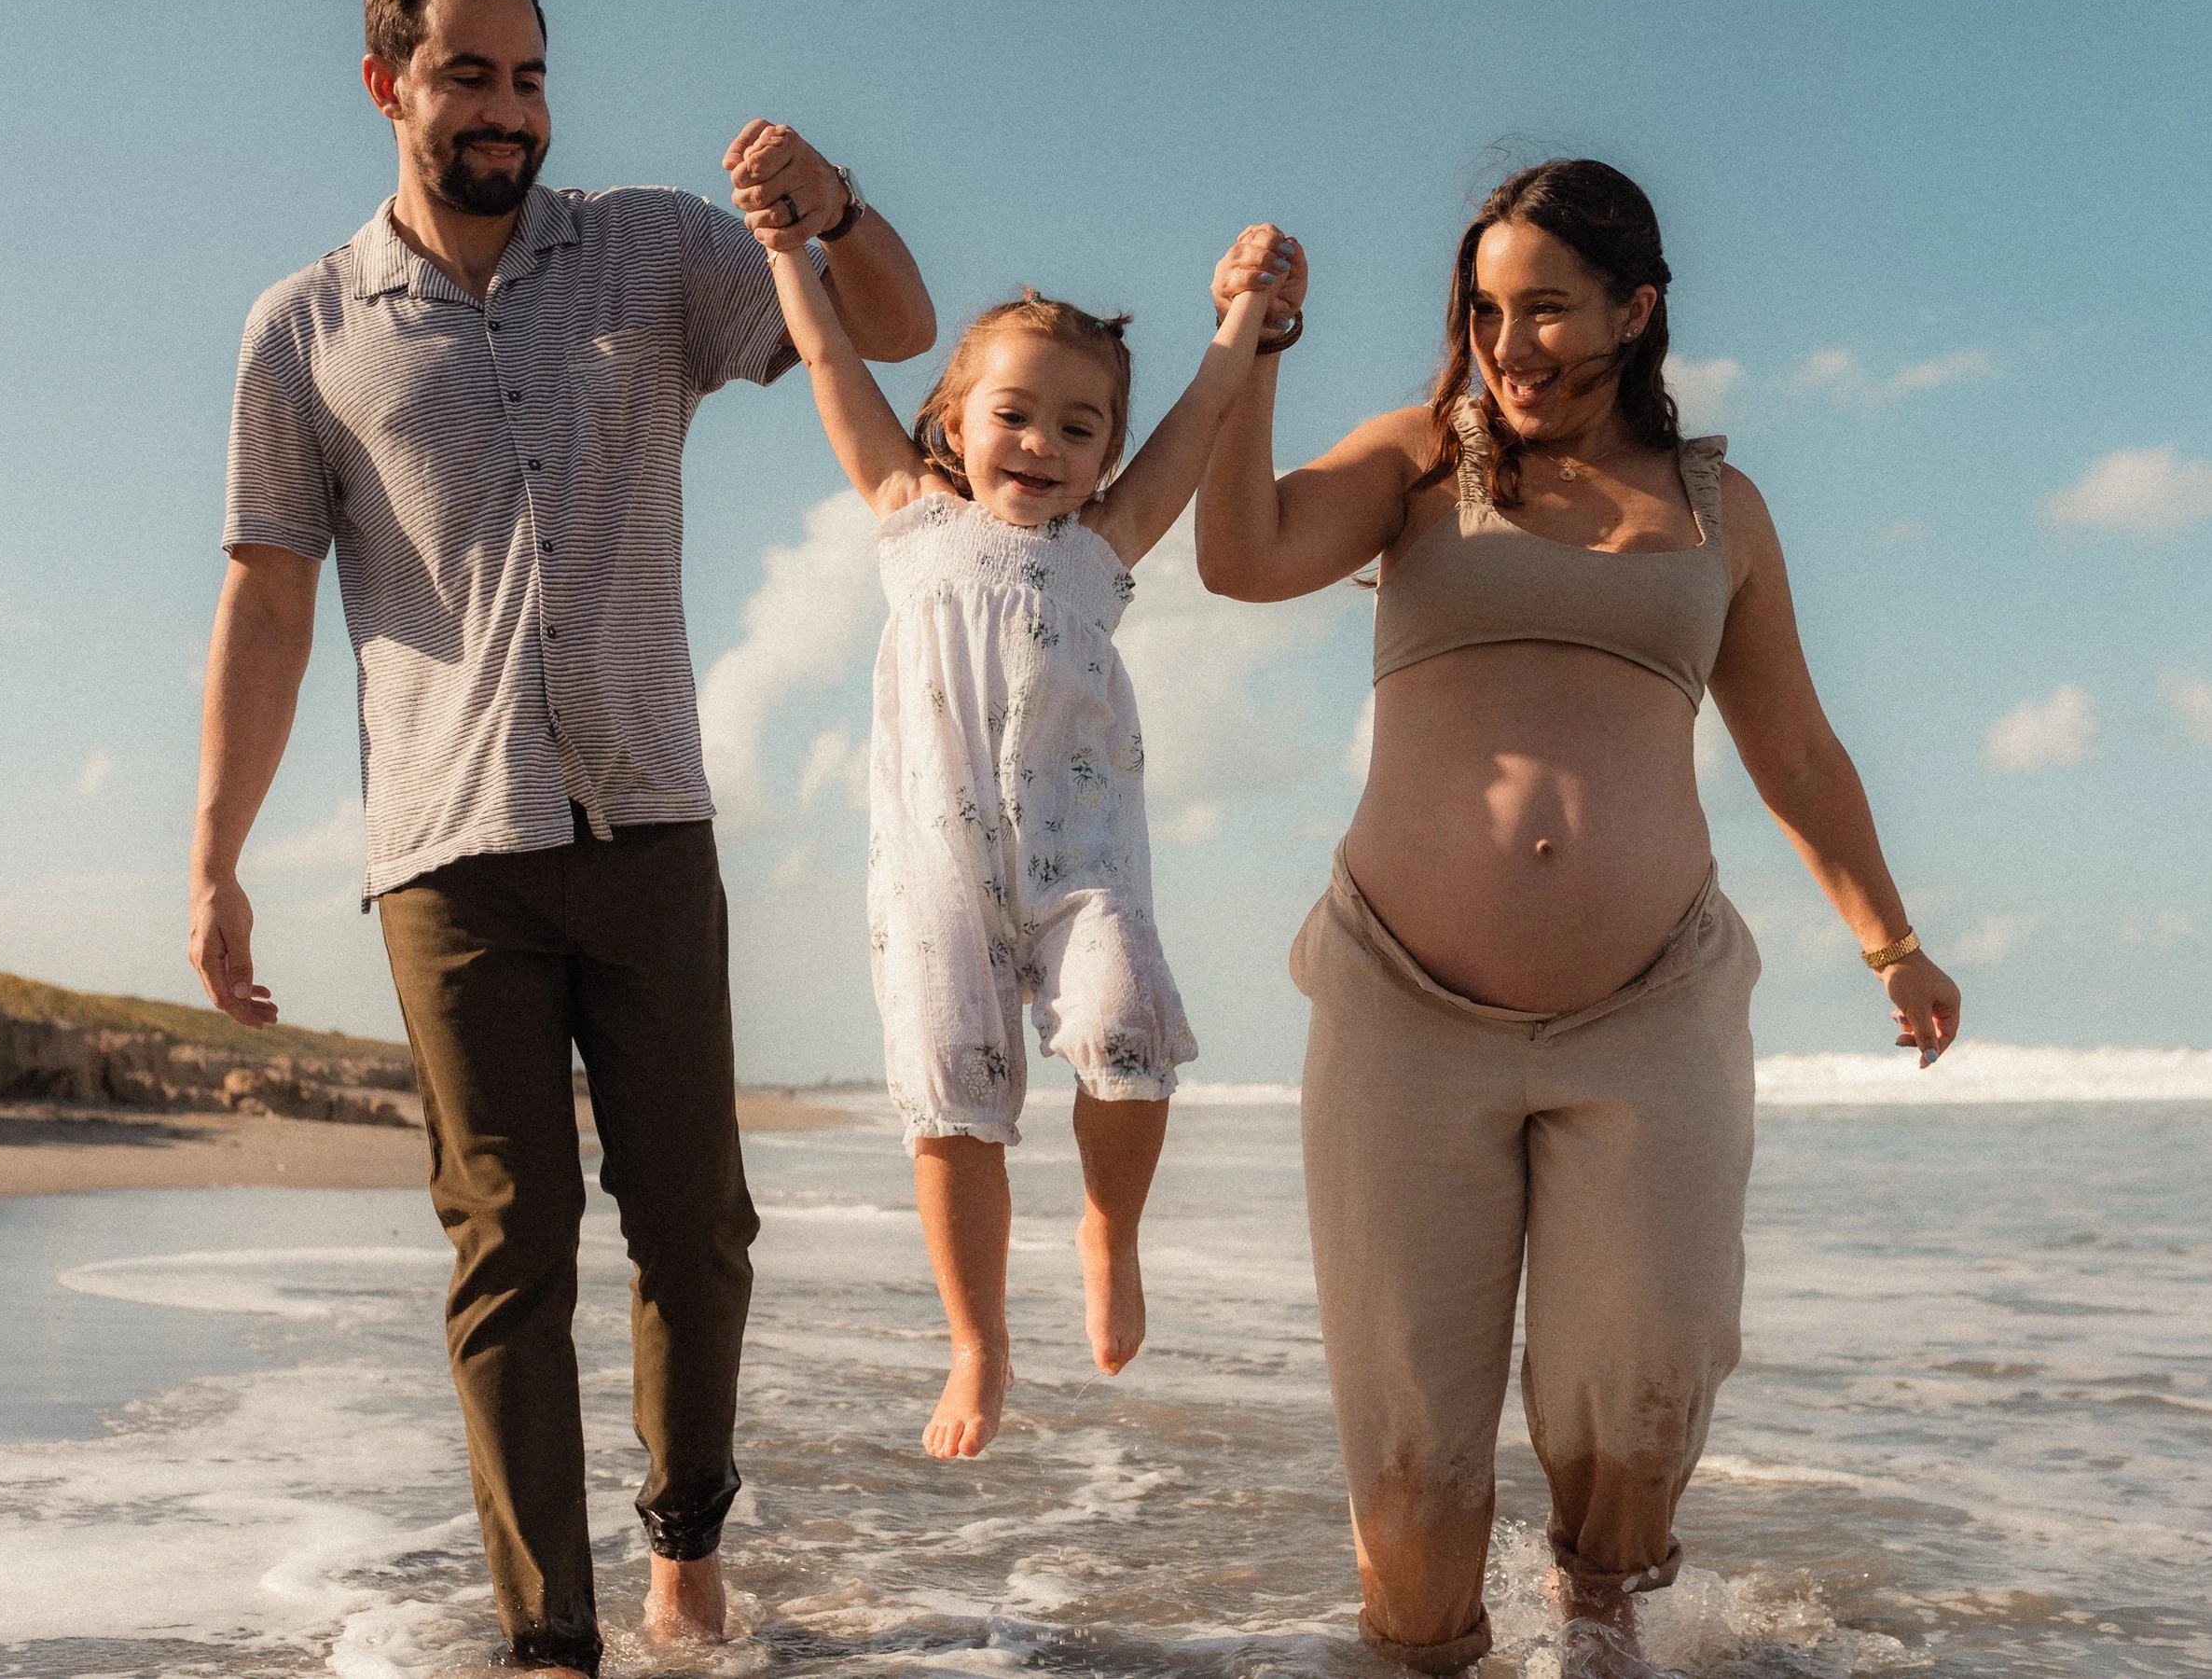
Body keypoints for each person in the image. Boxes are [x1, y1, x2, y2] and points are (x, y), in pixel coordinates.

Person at [183, 0, 933, 1672]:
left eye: (529, 77)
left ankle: (685, 1547)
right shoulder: (302, 330)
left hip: (648, 816)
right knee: (509, 1239)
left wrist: (830, 202)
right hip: (450, 849)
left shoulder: (662, 248)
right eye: (469, 76)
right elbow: (270, 600)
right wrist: (216, 855)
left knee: (699, 1222)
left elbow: (890, 326)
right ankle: (551, 1639)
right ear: (387, 85)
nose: (509, 111)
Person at [1195, 162, 1961, 1676]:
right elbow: (1244, 554)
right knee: (1412, 1449)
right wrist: (1254, 350)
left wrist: (1892, 937)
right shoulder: (1423, 460)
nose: (1510, 344)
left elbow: (1794, 748)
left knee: (1641, 1377)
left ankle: (1598, 1633)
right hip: (1402, 1010)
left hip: (1653, 1006)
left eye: (1546, 307)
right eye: (1485, 311)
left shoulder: (1719, 510)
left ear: (1638, 307)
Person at [760, 174, 1291, 1458]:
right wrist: (786, 249)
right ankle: (978, 1341)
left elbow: (1203, 417)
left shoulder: (1103, 552)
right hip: (939, 872)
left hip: (1084, 872)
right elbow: (830, 358)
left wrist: (1245, 319)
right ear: (952, 419)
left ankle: (1110, 1225)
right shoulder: (909, 518)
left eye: (1079, 427)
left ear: (1105, 453)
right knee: (950, 1103)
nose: (1043, 445)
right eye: (1015, 415)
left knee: (1125, 1033)